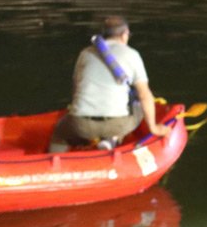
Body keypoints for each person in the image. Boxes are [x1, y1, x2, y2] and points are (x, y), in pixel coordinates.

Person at [49, 16, 170, 153]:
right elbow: (144, 94)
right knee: (138, 107)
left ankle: (52, 162)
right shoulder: (132, 55)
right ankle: (112, 139)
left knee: (60, 133)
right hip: (117, 124)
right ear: (125, 35)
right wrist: (154, 127)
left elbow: (76, 88)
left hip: (81, 124)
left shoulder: (85, 53)